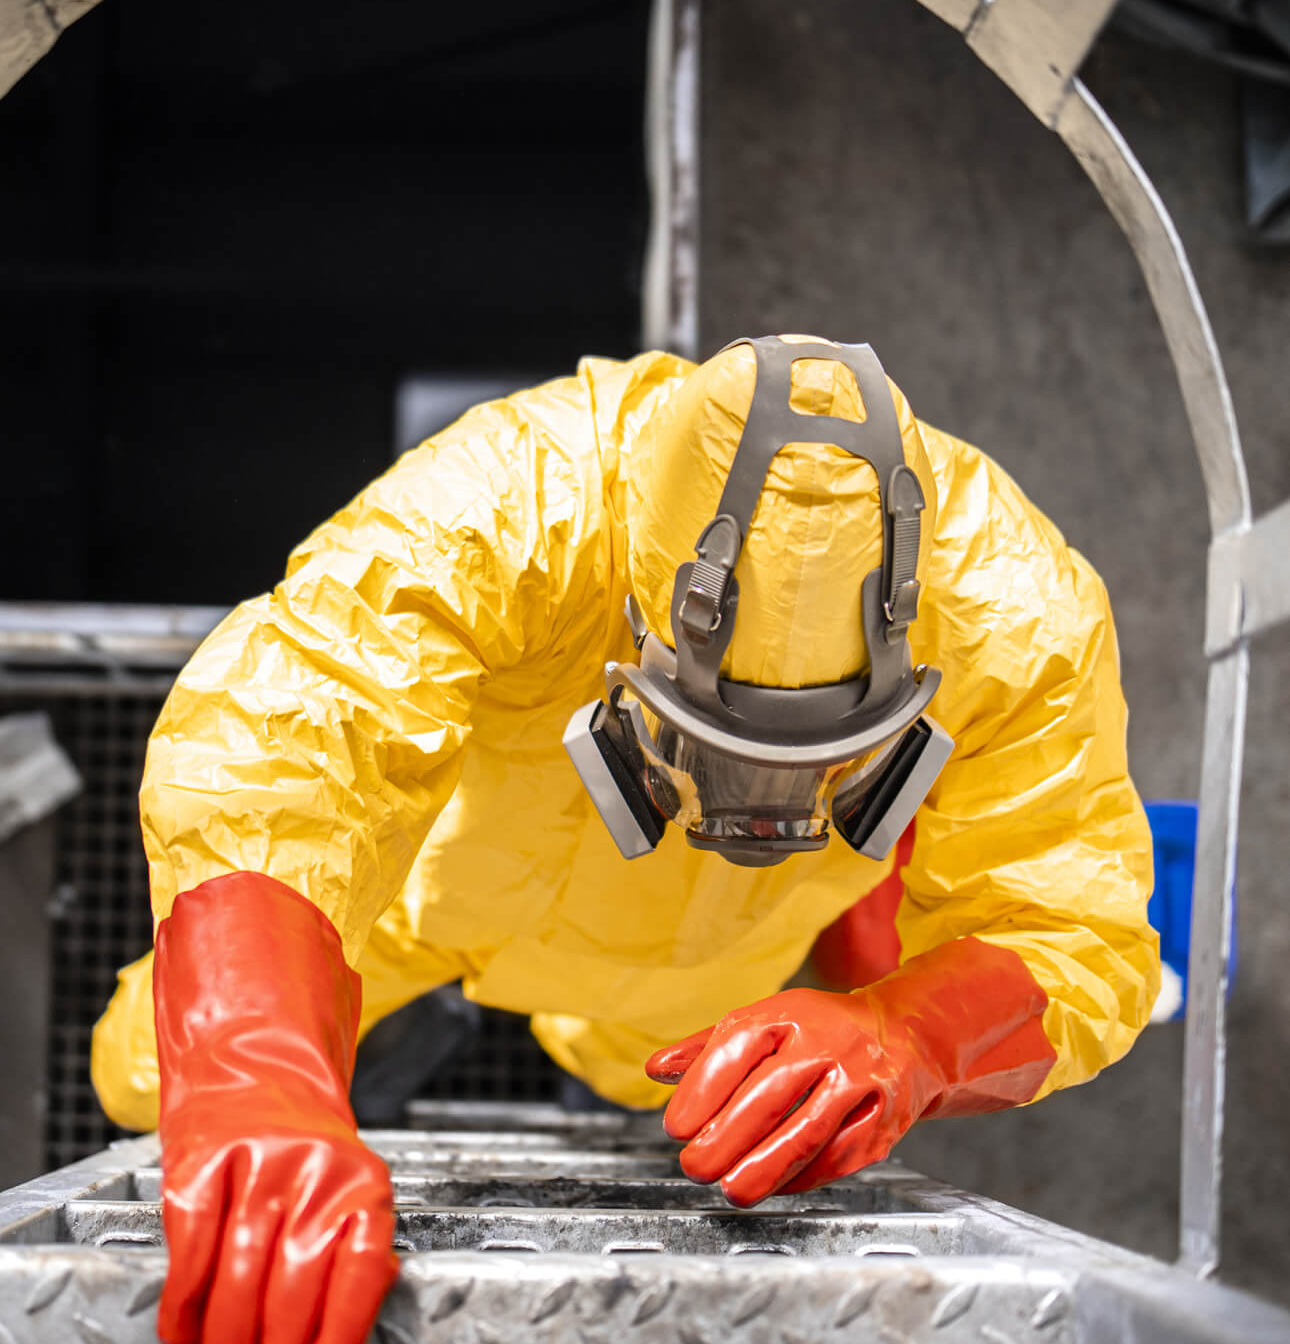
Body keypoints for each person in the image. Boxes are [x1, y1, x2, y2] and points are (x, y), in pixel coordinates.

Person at [91, 335, 1158, 1344]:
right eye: (713, 744)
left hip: (699, 967)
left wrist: (910, 1038)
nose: (749, 805)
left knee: (658, 1092)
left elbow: (1072, 921)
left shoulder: (1013, 607)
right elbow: (293, 732)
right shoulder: (522, 494)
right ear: (641, 605)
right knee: (144, 1075)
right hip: (421, 890)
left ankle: (581, 1054)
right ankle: (273, 1048)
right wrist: (249, 1057)